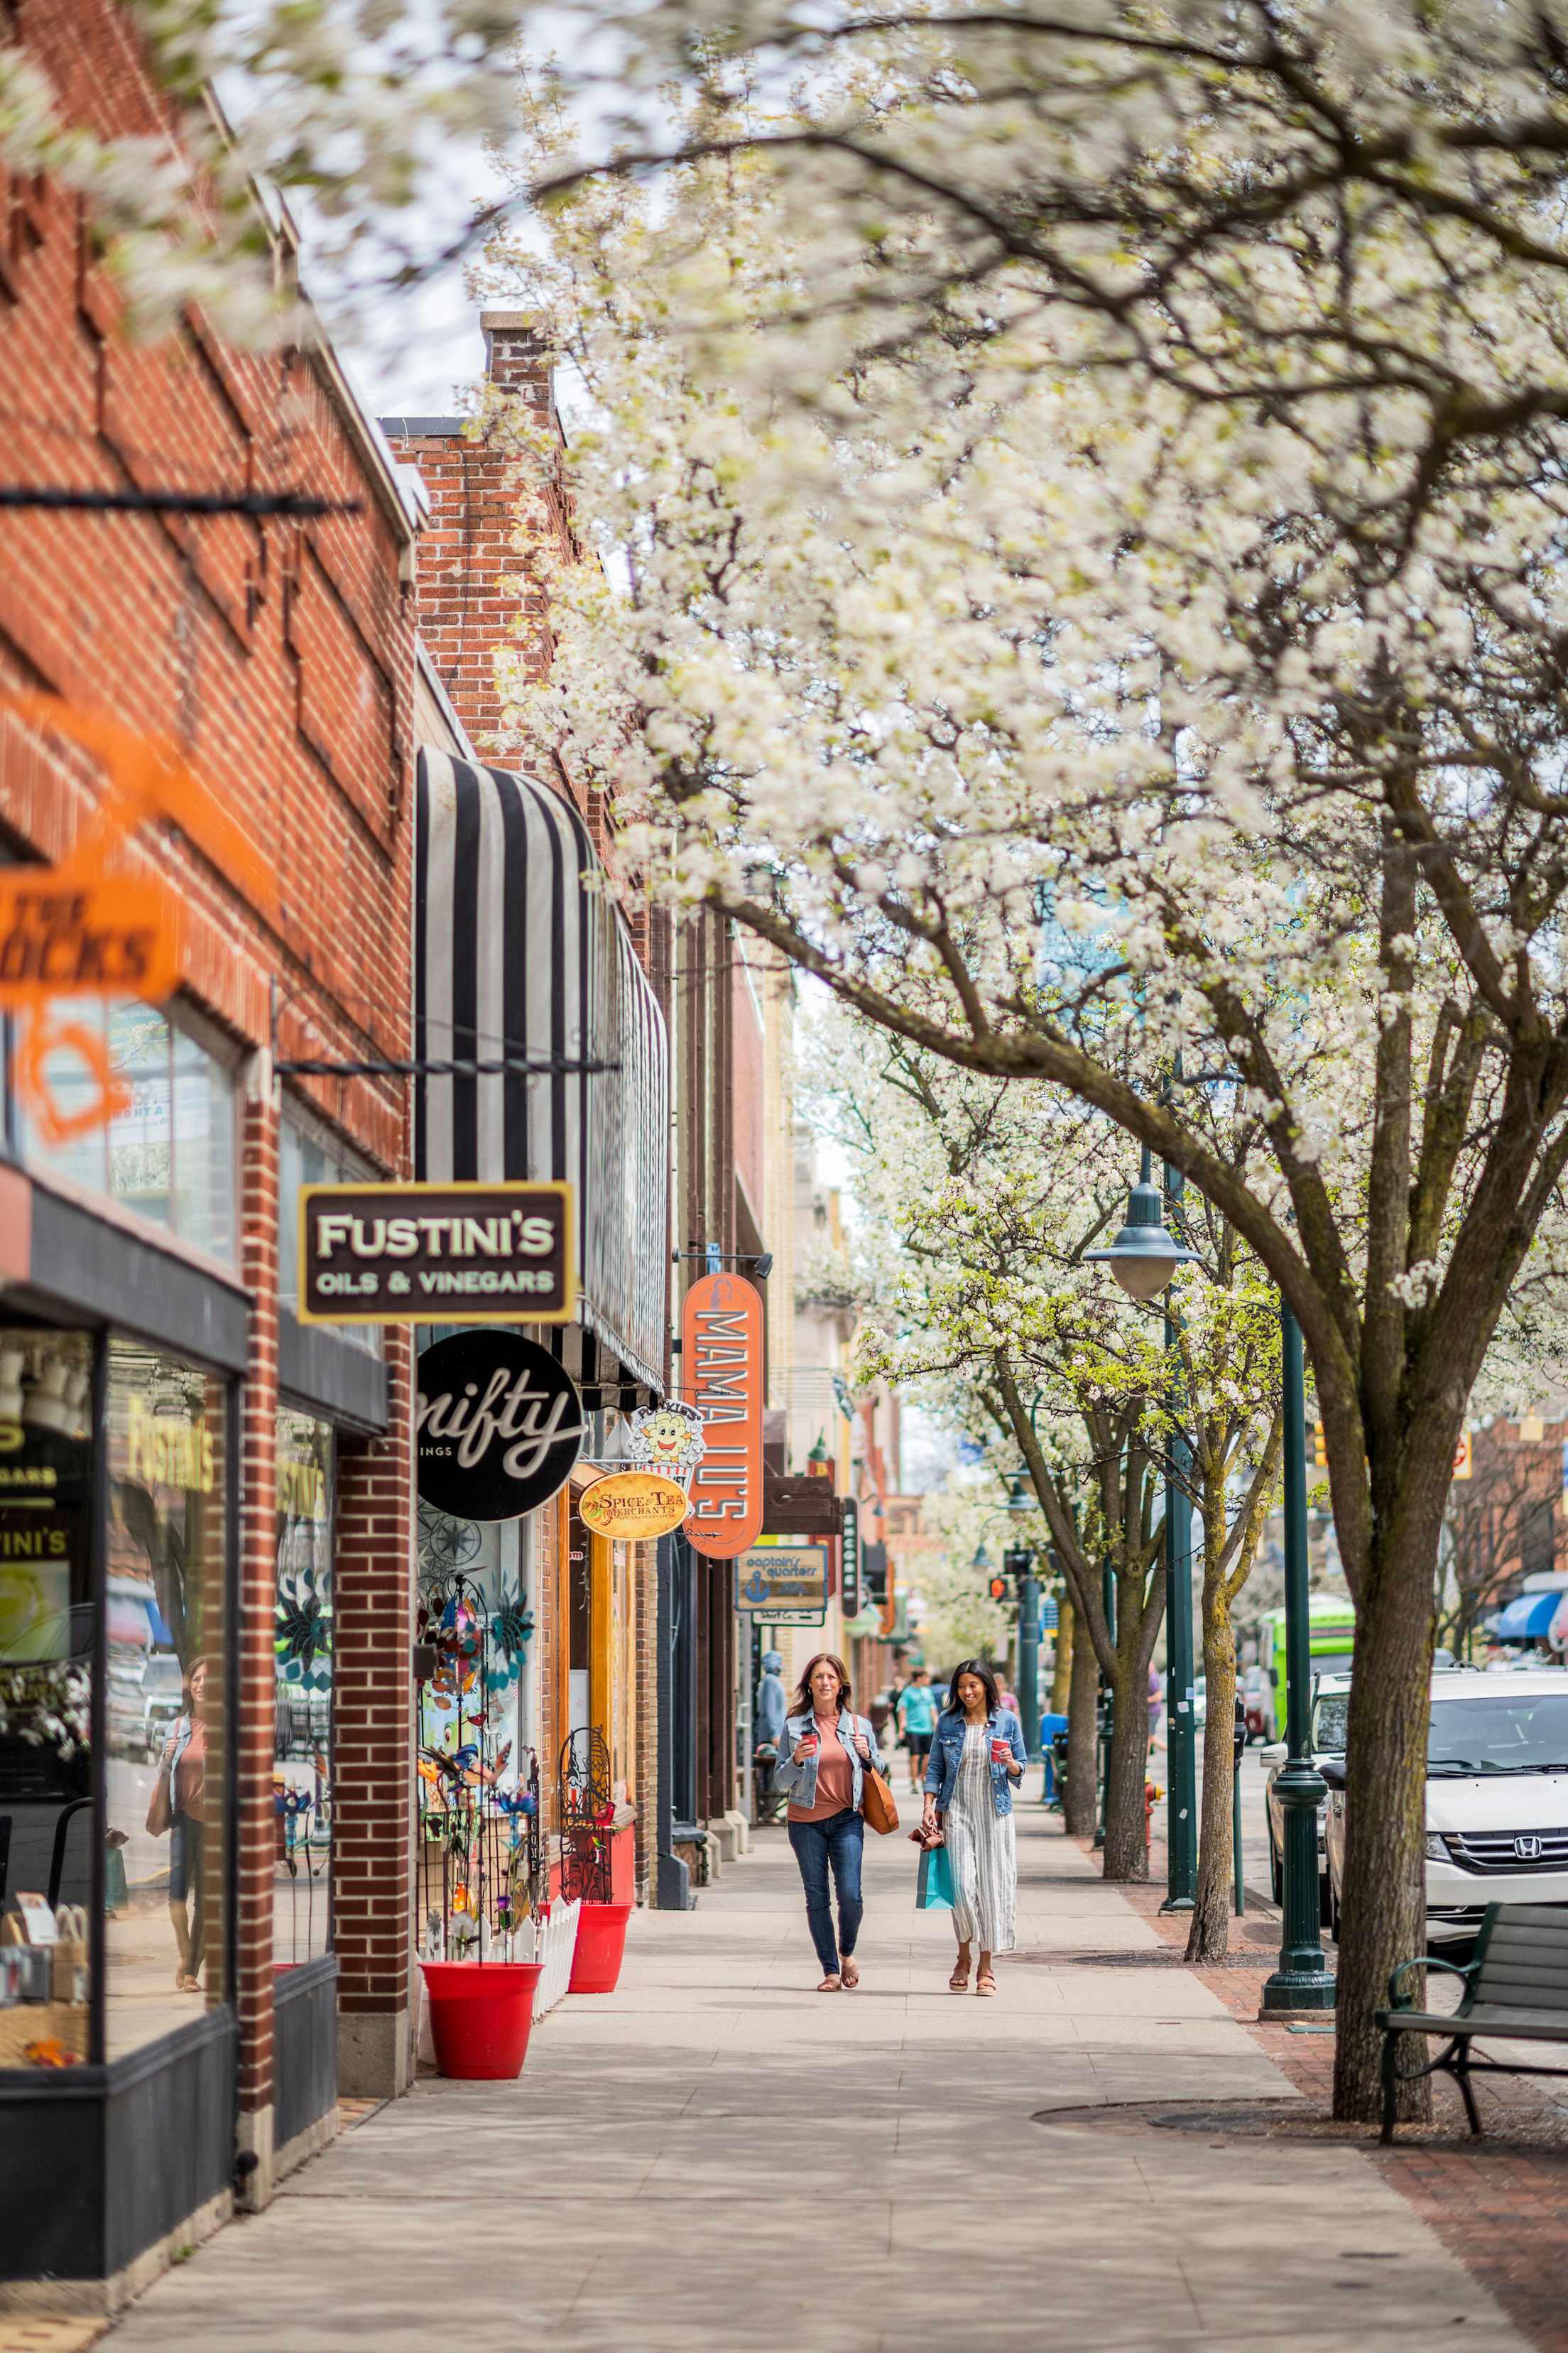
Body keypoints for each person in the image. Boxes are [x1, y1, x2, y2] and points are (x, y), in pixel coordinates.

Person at [774, 1653, 886, 1991]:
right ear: (809, 1683)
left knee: (851, 1895)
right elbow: (780, 1782)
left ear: (841, 1686)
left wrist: (868, 1755)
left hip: (846, 1819)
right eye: (819, 1677)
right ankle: (830, 1970)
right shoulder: (794, 1726)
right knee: (817, 1896)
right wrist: (795, 1760)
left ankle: (847, 1951)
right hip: (804, 1822)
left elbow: (879, 1769)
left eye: (832, 1678)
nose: (825, 1683)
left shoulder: (858, 1725)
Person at [920, 1657, 1026, 1996]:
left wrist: (1010, 1763)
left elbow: (1021, 1766)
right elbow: (935, 1767)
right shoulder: (948, 1723)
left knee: (993, 1889)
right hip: (957, 1811)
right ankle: (962, 1956)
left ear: (985, 1687)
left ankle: (985, 1965)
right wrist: (929, 1806)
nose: (967, 1692)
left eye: (973, 1686)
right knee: (963, 1887)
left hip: (995, 1813)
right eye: (962, 1686)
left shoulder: (1006, 1721)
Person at [147, 1655, 208, 1992]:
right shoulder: (177, 1727)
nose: (202, 1685)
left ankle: (190, 1974)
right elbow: (165, 1774)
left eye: (208, 1679)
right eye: (197, 1679)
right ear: (189, 1685)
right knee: (176, 1899)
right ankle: (186, 1958)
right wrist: (168, 1757)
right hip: (184, 1820)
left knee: (207, 1903)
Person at [754, 1649, 788, 1820]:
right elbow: (769, 1710)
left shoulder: (772, 1681)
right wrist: (775, 1734)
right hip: (771, 1738)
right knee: (773, 1774)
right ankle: (770, 1811)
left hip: (775, 1736)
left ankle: (772, 1810)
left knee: (775, 1773)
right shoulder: (769, 1681)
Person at [896, 1665, 939, 1793]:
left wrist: (936, 1723)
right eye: (926, 1677)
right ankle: (914, 1781)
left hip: (927, 1729)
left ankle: (923, 1777)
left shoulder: (928, 1692)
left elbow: (933, 1709)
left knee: (927, 1756)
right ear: (919, 1678)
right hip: (913, 1728)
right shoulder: (908, 1692)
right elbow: (902, 1709)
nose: (928, 1680)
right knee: (914, 1757)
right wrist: (901, 1727)